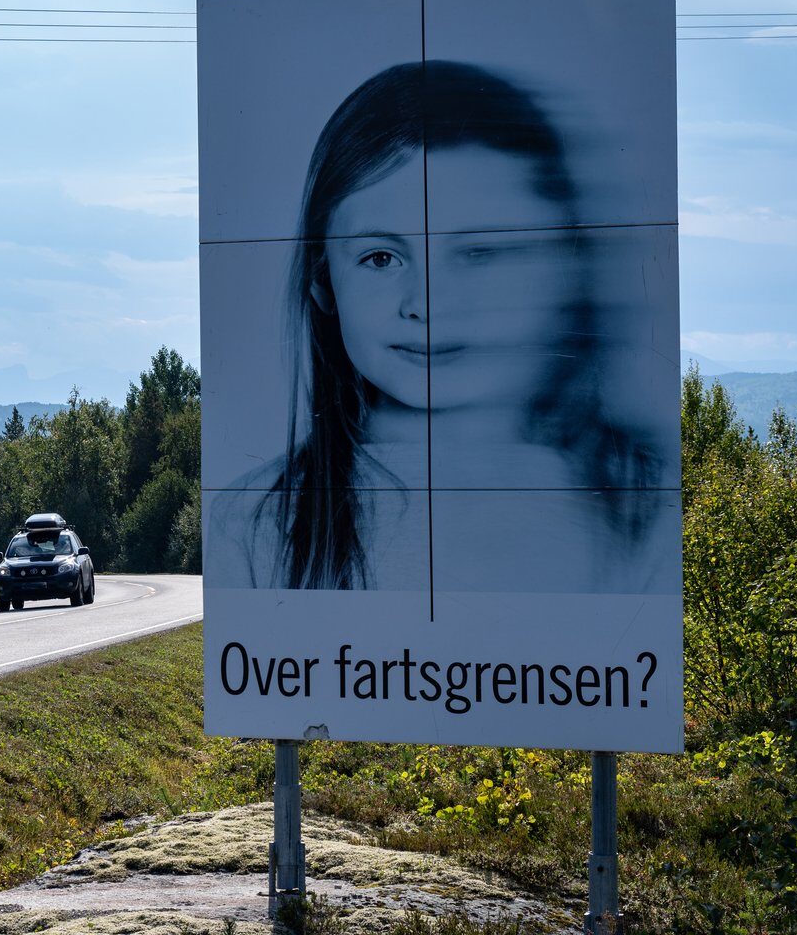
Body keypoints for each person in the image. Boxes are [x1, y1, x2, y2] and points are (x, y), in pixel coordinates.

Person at [214, 60, 667, 591]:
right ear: (322, 282)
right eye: (381, 257)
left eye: (479, 252)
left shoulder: (649, 513)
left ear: (565, 265)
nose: (427, 304)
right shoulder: (253, 525)